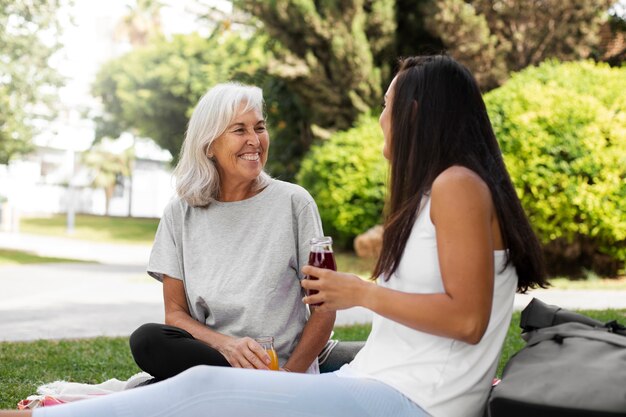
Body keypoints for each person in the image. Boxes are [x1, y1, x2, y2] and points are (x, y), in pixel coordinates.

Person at [2, 54, 547, 417]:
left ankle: (64, 413)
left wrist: (360, 292)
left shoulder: (457, 185)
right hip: (386, 381)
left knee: (207, 391)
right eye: (238, 129)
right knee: (208, 385)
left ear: (414, 113)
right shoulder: (445, 189)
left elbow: (469, 321)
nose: (380, 117)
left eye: (385, 105)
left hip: (416, 399)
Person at [127, 82, 336, 380]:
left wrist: (289, 378)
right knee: (148, 340)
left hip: (278, 367)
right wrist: (227, 345)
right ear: (209, 145)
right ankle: (234, 390)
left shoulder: (294, 202)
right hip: (213, 358)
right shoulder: (179, 212)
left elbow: (324, 310)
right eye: (239, 130)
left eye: (259, 128)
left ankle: (244, 392)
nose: (254, 140)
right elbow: (174, 315)